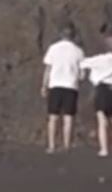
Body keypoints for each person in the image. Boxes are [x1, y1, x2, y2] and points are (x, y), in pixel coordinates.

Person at [80, 35, 112, 158]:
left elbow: (83, 63)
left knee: (102, 122)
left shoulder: (100, 59)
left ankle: (104, 150)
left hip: (103, 90)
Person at [41, 23, 85, 153]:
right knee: (68, 117)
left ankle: (52, 145)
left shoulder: (53, 48)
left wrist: (44, 85)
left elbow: (48, 69)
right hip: (71, 86)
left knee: (53, 116)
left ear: (61, 35)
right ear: (73, 36)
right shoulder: (78, 51)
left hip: (55, 85)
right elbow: (82, 74)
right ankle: (66, 145)